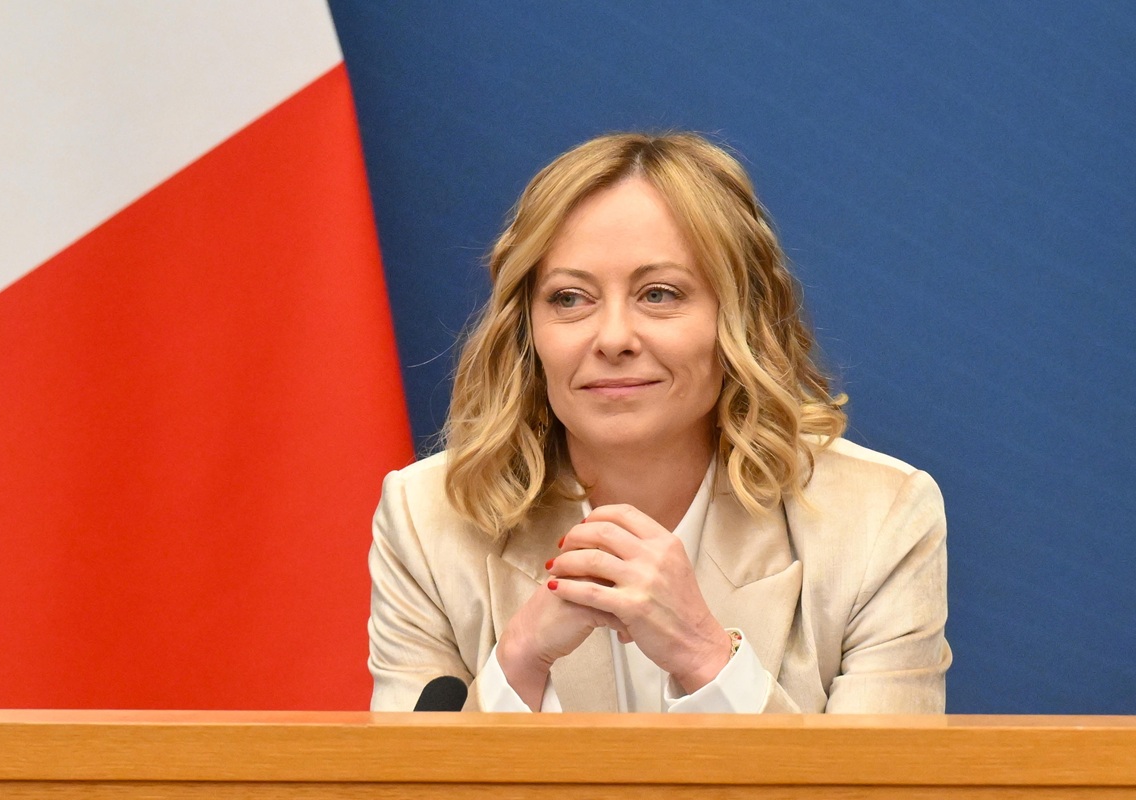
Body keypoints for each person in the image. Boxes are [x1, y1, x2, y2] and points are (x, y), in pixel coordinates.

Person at [368, 132, 951, 713]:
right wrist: (517, 664)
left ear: (739, 318)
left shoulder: (878, 520)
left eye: (659, 294)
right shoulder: (427, 520)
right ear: (526, 330)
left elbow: (881, 770)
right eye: (569, 298)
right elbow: (399, 766)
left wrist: (705, 657)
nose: (613, 338)